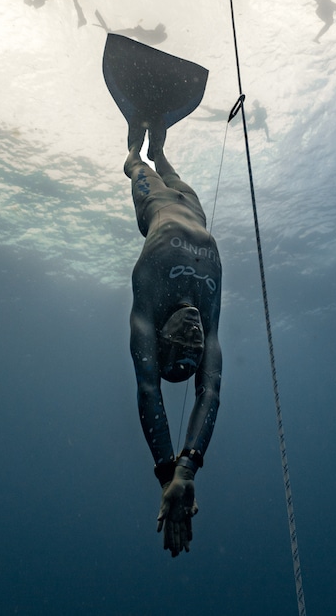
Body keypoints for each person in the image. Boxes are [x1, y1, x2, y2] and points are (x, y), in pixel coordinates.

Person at [123, 125, 222, 558]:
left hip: (156, 210)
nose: (194, 338)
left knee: (136, 168)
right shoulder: (209, 309)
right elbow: (211, 390)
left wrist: (169, 473)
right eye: (194, 351)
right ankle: (159, 145)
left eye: (178, 348)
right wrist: (189, 467)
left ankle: (134, 139)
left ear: (160, 340)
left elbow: (148, 388)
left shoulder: (148, 291)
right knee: (168, 170)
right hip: (193, 207)